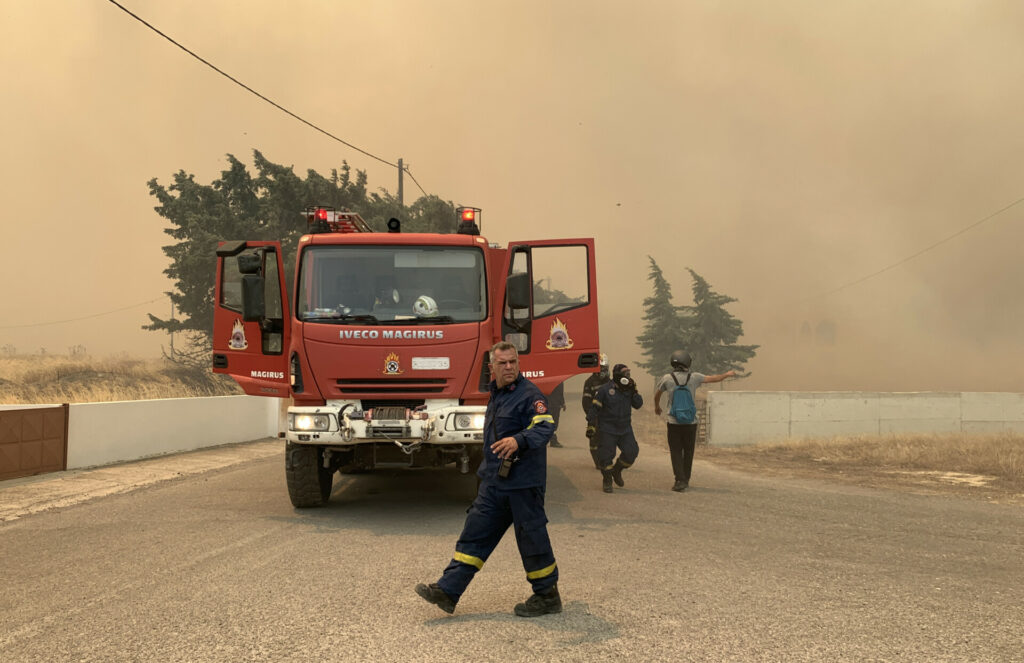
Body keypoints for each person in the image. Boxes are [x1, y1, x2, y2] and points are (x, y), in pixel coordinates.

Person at [415, 341, 562, 617]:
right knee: (474, 534)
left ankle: (547, 596)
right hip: (495, 483)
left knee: (532, 539)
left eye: (513, 362)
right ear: (491, 367)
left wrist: (519, 440)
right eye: (502, 363)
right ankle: (448, 591)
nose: (509, 367)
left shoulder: (530, 395)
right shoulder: (498, 394)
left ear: (518, 364)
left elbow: (544, 426)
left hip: (523, 485)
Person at [653, 350, 737, 492]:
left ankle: (679, 479)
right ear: (687, 362)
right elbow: (715, 378)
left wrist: (657, 407)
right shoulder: (694, 377)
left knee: (676, 451)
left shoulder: (667, 378)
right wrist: (726, 375)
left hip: (674, 422)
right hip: (691, 422)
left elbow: (657, 394)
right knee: (689, 451)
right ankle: (685, 478)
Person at [586, 363, 643, 493]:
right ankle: (607, 480)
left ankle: (617, 471)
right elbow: (594, 408)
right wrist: (590, 425)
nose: (628, 377)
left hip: (625, 429)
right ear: (618, 376)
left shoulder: (629, 389)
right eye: (625, 374)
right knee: (605, 456)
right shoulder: (605, 390)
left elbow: (638, 405)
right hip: (607, 428)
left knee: (632, 452)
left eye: (629, 374)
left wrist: (634, 391)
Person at [581, 353, 610, 469]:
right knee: (594, 439)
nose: (604, 371)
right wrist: (592, 418)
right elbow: (586, 402)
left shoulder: (611, 382)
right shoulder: (589, 382)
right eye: (602, 368)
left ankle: (606, 460)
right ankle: (597, 462)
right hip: (595, 416)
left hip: (608, 417)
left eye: (605, 368)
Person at [547, 382, 566, 447]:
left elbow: (560, 393)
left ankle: (552, 440)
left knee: (554, 423)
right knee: (550, 423)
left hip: (556, 404)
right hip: (549, 403)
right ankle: (553, 440)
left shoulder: (560, 381)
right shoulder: (550, 379)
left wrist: (563, 402)